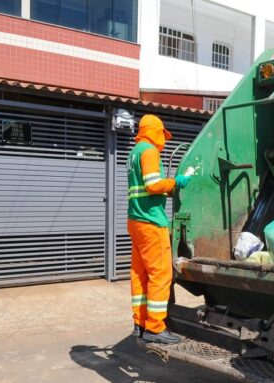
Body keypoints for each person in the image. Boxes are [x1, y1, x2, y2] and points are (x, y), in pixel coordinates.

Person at [127, 114, 191, 344]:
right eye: (162, 135)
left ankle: (140, 324)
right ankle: (155, 327)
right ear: (156, 131)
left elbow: (144, 188)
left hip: (135, 220)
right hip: (151, 221)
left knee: (139, 273)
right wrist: (177, 182)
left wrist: (167, 188)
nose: (163, 141)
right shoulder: (150, 151)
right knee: (160, 273)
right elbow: (153, 184)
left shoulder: (134, 152)